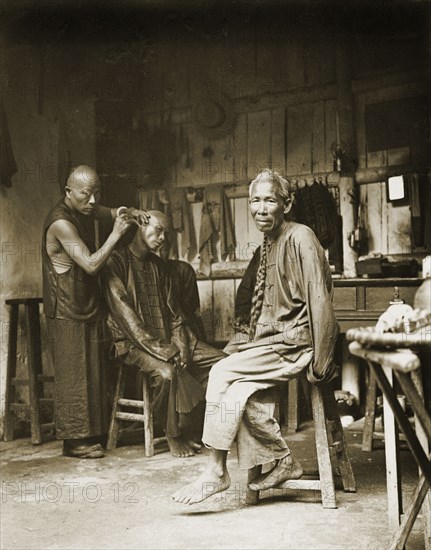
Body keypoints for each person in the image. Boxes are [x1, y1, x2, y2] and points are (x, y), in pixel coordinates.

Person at [172, 168, 339, 504]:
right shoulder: (269, 243)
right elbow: (265, 306)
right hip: (275, 343)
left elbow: (321, 303)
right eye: (255, 200)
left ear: (287, 203)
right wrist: (246, 341)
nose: (261, 208)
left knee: (220, 372)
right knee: (237, 393)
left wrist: (322, 362)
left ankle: (216, 471)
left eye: (270, 200)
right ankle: (284, 461)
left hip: (297, 344)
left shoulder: (301, 237)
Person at [100, 210, 226, 457]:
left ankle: (192, 426)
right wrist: (166, 351)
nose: (162, 237)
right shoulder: (116, 262)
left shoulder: (161, 267)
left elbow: (175, 315)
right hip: (133, 344)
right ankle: (172, 434)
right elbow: (128, 321)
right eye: (158, 230)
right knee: (167, 373)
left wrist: (182, 347)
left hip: (167, 341)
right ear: (140, 225)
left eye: (166, 234)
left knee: (223, 363)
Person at [42, 164, 148, 459]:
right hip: (65, 307)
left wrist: (128, 212)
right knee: (74, 374)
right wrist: (115, 235)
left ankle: (91, 434)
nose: (92, 201)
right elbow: (89, 264)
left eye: (96, 194)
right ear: (68, 193)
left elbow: (108, 211)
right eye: (86, 195)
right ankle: (74, 442)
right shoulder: (60, 223)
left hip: (86, 302)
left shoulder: (84, 208)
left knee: (91, 370)